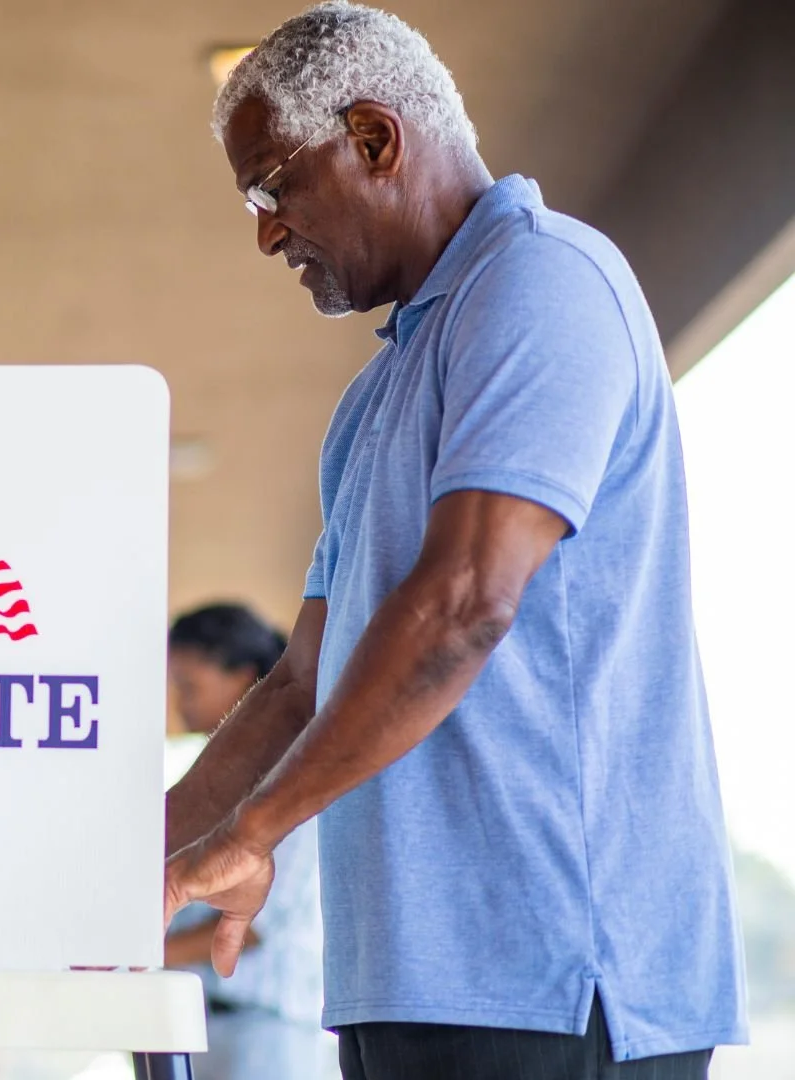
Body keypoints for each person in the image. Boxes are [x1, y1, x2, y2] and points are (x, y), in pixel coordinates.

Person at [162, 4, 748, 1079]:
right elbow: (301, 685)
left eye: (272, 185)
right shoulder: (376, 395)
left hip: (560, 976)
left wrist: (251, 835)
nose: (266, 231)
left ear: (376, 139)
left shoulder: (541, 283)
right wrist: (135, 866)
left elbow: (467, 603)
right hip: (409, 977)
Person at [166, 604, 334, 1080]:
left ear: (242, 679)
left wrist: (140, 954)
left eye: (188, 687)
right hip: (204, 1022)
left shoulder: (293, 775)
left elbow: (261, 923)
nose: (179, 705)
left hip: (265, 1031)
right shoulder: (205, 785)